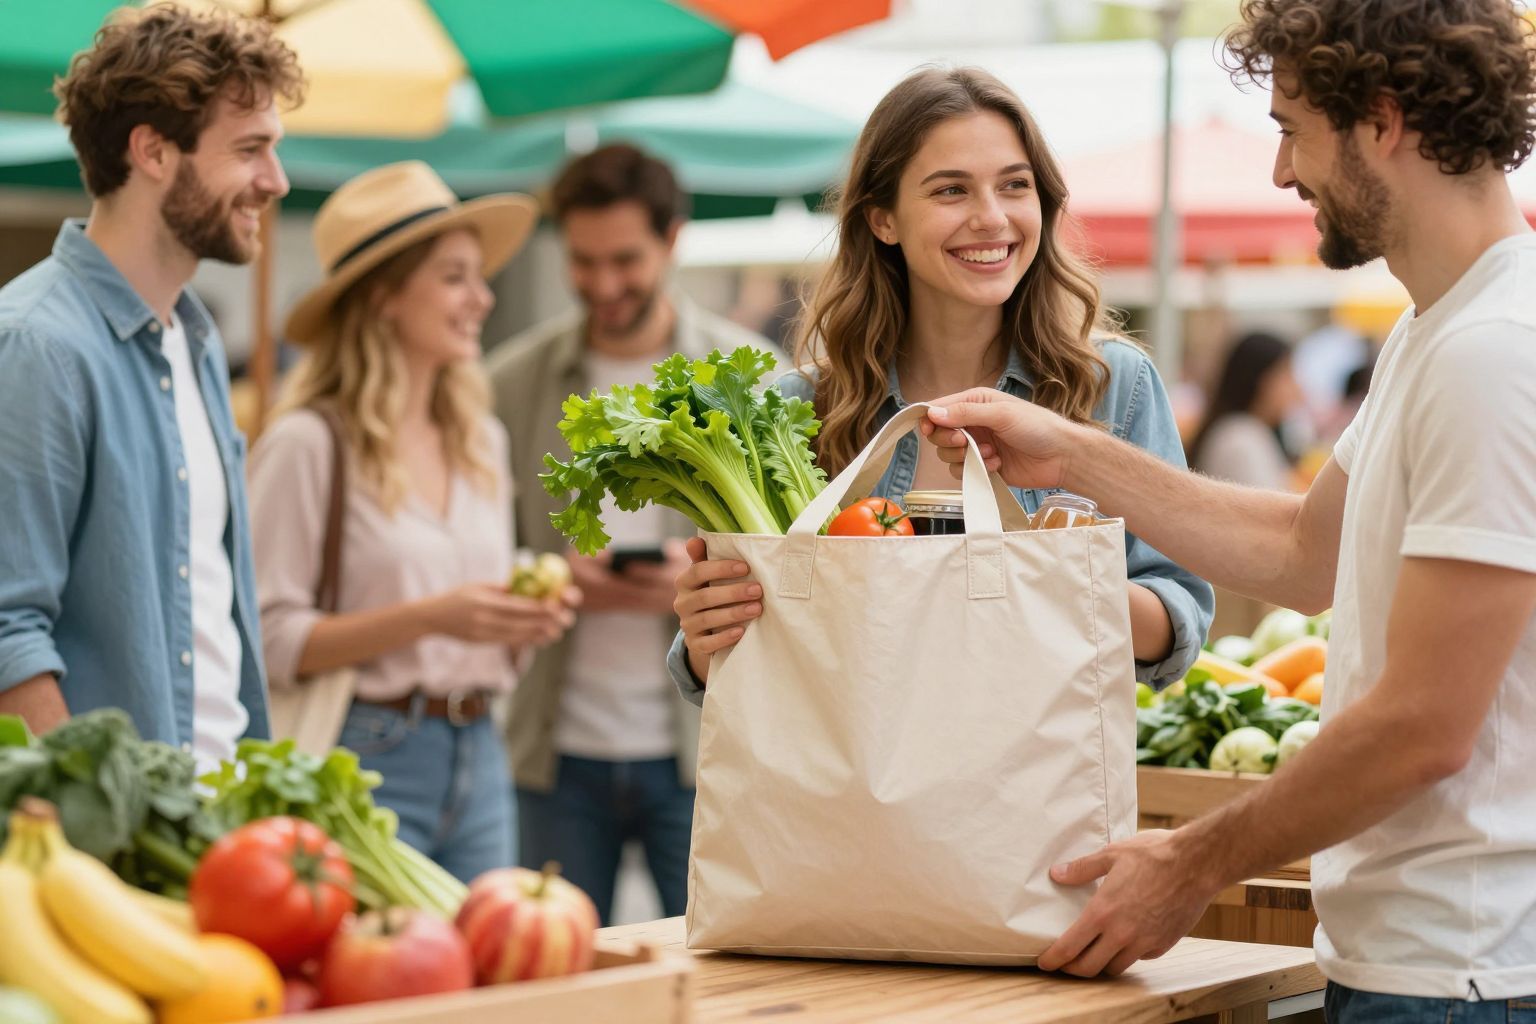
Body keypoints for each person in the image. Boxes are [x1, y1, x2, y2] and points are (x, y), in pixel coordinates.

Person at [921, 1, 1536, 1015]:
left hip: (1466, 977)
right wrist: (1074, 453)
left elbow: (1425, 726)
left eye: (1292, 129)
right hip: (1428, 963)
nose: (1281, 172)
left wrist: (1191, 862)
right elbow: (1303, 551)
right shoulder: (1439, 332)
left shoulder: (1491, 351)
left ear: (1380, 121)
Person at [669, 68, 1213, 698]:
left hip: (1037, 781)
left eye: (1015, 186)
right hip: (853, 784)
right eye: (951, 190)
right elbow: (722, 671)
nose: (991, 218)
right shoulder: (797, 410)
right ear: (882, 220)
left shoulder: (1113, 384)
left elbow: (1180, 618)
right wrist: (708, 632)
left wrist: (1055, 577)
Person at [250, 162, 573, 882]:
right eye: (455, 276)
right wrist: (433, 616)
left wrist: (522, 621)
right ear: (385, 295)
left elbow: (473, 614)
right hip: (364, 753)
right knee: (379, 987)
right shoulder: (307, 442)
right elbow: (270, 639)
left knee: (484, 987)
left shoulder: (479, 437)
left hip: (481, 748)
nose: (482, 298)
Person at [0, 6, 302, 767]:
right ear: (153, 151)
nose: (276, 180)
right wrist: (110, 832)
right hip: (120, 850)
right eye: (250, 149)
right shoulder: (35, 346)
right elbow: (7, 635)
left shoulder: (195, 344)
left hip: (221, 818)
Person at [487, 144, 771, 922]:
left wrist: (690, 598)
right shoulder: (511, 384)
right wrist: (550, 576)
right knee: (555, 983)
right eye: (582, 261)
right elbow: (478, 545)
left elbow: (796, 567)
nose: (604, 285)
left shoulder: (748, 379)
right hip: (552, 750)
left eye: (625, 260)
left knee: (713, 969)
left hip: (703, 750)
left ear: (673, 239)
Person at [1189, 331, 1305, 490]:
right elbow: (1269, 509)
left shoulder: (1242, 431)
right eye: (1287, 375)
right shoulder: (1241, 438)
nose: (1297, 388)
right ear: (1262, 381)